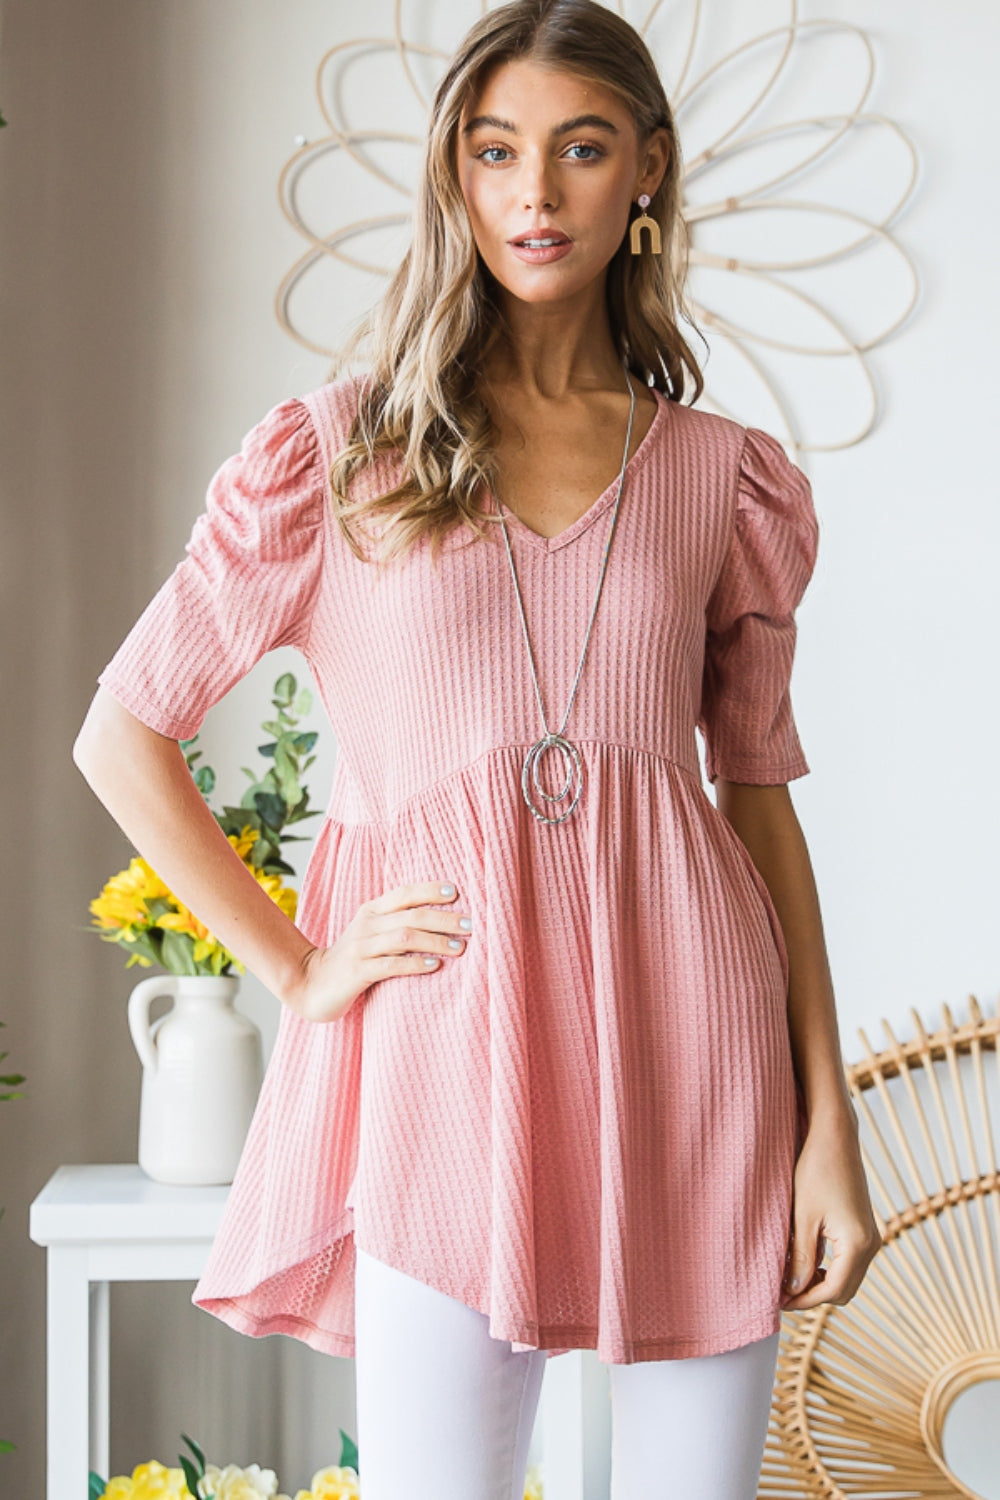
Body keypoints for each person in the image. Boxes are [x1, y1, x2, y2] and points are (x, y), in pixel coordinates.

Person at [73, 1, 882, 1495]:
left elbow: (758, 808)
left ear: (645, 170)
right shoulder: (343, 453)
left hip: (701, 1040)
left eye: (580, 150)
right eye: (495, 150)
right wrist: (302, 969)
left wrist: (829, 1124)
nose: (535, 192)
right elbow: (124, 732)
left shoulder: (724, 479)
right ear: (454, 174)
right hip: (445, 1054)